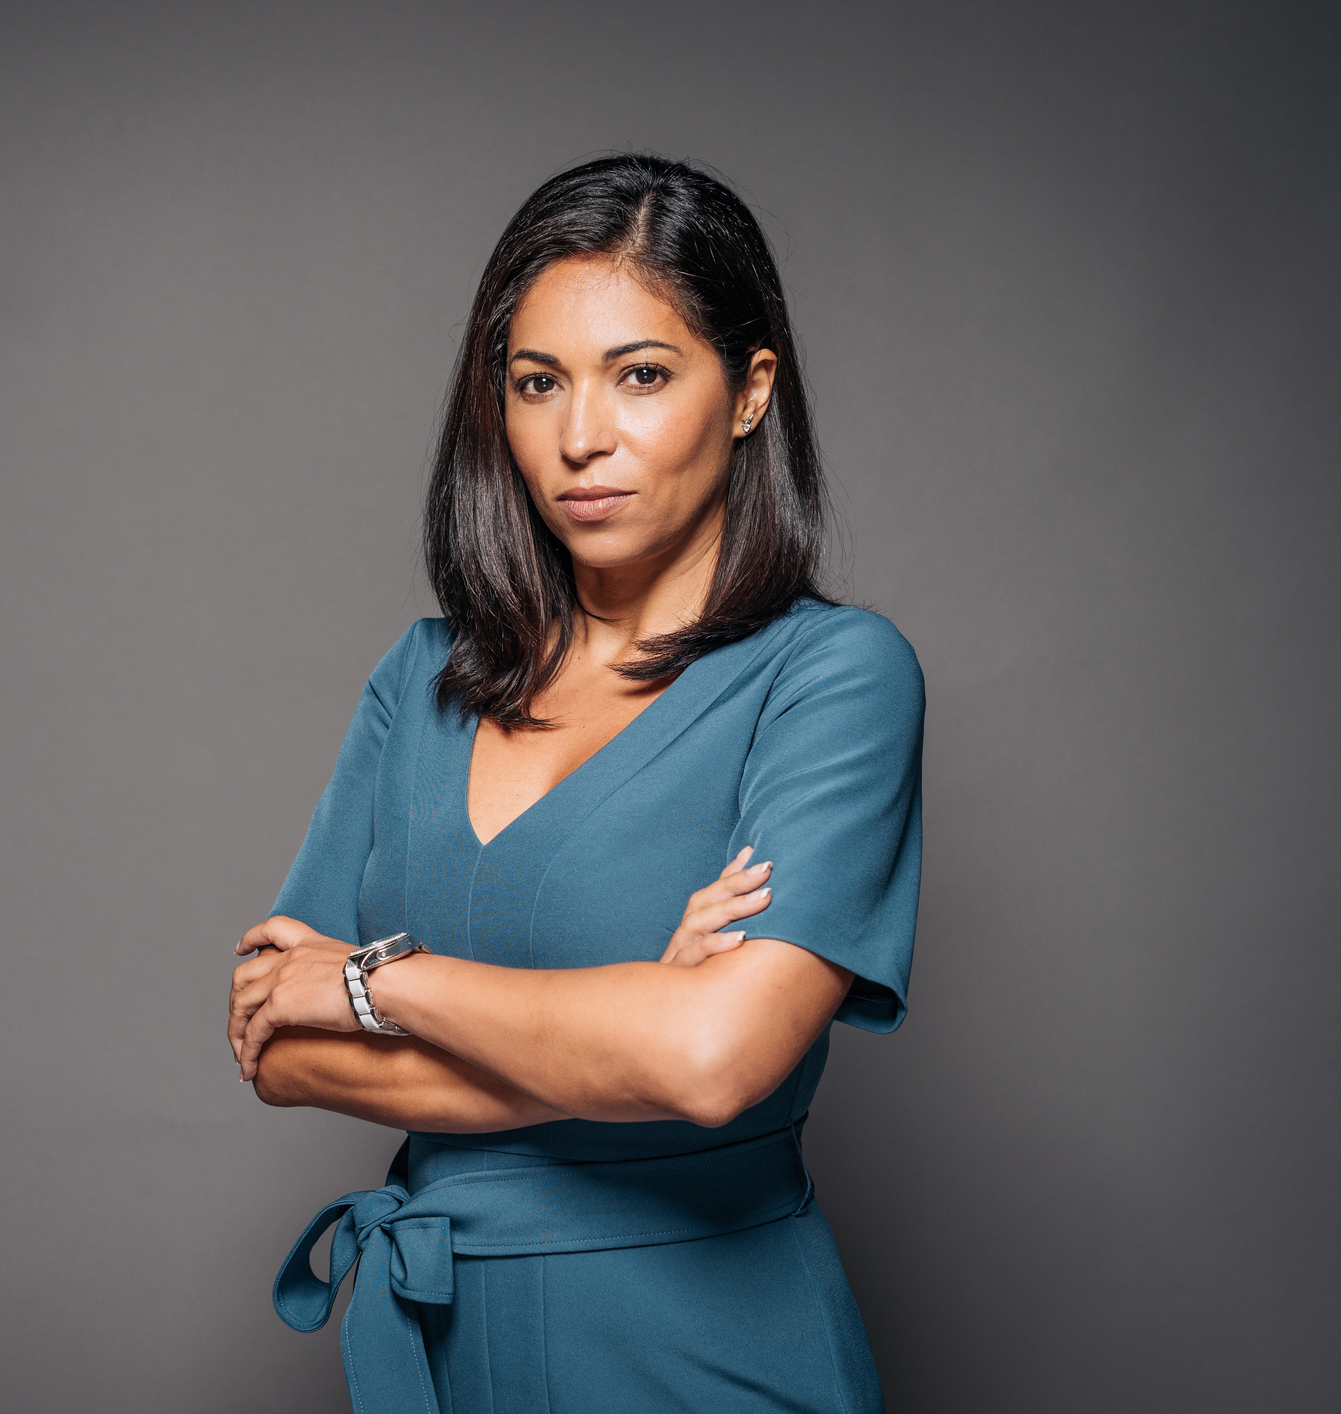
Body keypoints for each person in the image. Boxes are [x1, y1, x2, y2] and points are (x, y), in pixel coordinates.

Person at [225, 153, 923, 1414]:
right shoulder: (423, 674)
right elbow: (276, 1044)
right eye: (535, 383)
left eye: (640, 376)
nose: (579, 437)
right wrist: (629, 1025)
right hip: (443, 1349)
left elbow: (711, 1063)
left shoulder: (832, 677)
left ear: (751, 389)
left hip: (706, 1353)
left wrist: (376, 980)